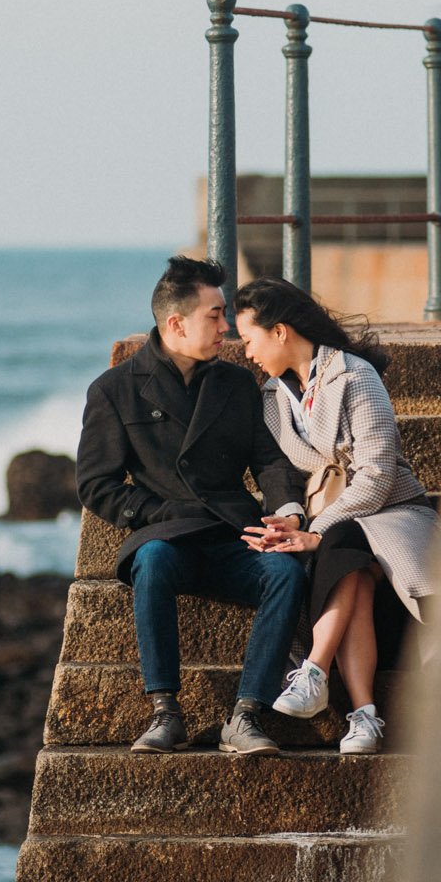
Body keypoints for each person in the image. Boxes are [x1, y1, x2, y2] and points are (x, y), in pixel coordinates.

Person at [76, 256, 308, 756]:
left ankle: (246, 716)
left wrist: (287, 514)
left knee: (287, 574)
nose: (227, 327)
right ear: (176, 323)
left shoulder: (237, 384)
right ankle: (165, 713)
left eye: (225, 315)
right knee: (153, 562)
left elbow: (268, 461)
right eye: (215, 315)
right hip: (166, 535)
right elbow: (97, 484)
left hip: (233, 534)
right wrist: (156, 515)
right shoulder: (115, 390)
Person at [232, 277, 436, 755]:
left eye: (249, 340)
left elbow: (378, 473)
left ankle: (315, 673)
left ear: (279, 331)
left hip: (392, 512)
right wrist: (293, 521)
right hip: (336, 525)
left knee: (341, 545)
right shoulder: (273, 399)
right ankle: (364, 716)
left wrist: (316, 531)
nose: (246, 353)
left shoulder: (355, 375)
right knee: (348, 566)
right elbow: (282, 472)